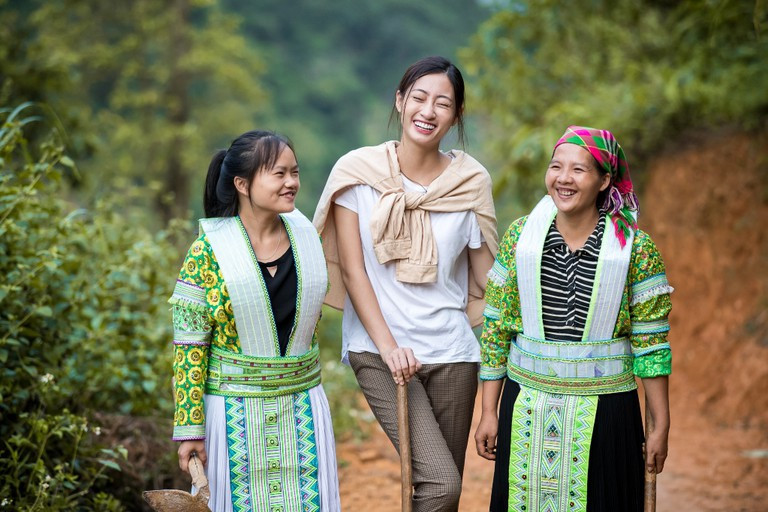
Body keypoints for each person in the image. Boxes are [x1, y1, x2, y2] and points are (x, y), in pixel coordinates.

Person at [313, 56, 498, 511]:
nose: (428, 111)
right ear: (399, 101)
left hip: (454, 353)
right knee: (442, 485)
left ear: (456, 116)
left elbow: (489, 281)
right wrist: (390, 346)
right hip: (380, 351)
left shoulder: (470, 182)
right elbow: (354, 272)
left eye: (443, 103)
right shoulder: (358, 174)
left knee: (440, 494)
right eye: (418, 97)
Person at [475, 126, 672, 511]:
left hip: (607, 415)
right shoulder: (521, 239)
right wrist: (487, 411)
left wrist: (660, 424)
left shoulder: (635, 249)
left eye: (579, 170)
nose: (563, 179)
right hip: (526, 407)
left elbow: (651, 344)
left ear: (605, 180)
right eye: (556, 167)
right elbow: (497, 331)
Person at [169, 130, 341, 511]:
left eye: (294, 172)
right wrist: (189, 430)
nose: (292, 183)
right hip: (232, 415)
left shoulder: (307, 238)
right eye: (278, 174)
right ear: (242, 184)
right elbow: (189, 348)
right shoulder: (207, 251)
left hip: (303, 410)